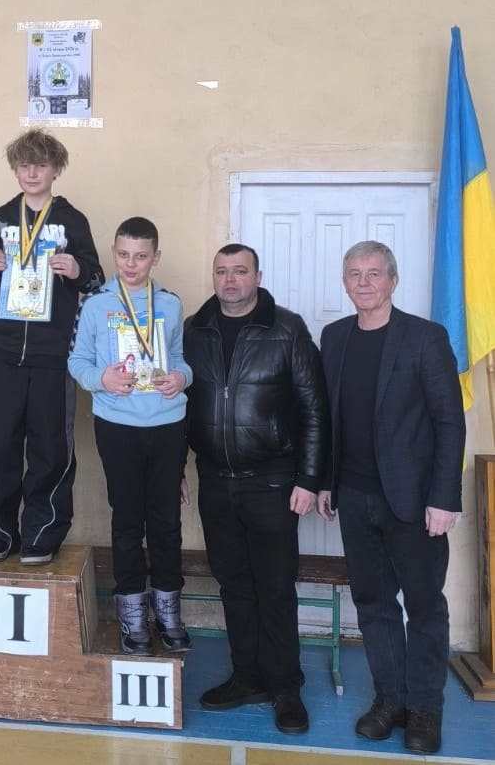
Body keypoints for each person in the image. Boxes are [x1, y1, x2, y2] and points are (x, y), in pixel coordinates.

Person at [318, 241, 464, 755]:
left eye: (374, 273)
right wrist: (326, 481)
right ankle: (391, 701)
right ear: (345, 281)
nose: (363, 282)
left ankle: (425, 708)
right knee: (373, 604)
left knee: (424, 607)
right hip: (355, 497)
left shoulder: (425, 338)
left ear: (393, 281)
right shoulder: (334, 337)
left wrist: (444, 498)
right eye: (354, 273)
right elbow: (330, 419)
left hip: (415, 502)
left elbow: (449, 422)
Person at [183, 243, 329, 735]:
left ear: (257, 276)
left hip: (272, 483)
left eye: (240, 271)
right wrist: (177, 467)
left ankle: (286, 686)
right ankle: (246, 677)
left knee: (275, 588)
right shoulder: (194, 330)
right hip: (214, 481)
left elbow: (314, 408)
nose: (230, 280)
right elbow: (179, 404)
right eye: (221, 271)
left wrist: (308, 479)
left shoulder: (287, 328)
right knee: (234, 586)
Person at [0, 128, 104, 565]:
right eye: (24, 165)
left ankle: (42, 535)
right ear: (15, 169)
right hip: (5, 353)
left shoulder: (73, 220)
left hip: (53, 355)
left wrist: (77, 269)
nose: (32, 173)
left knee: (50, 449)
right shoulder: (0, 217)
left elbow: (96, 278)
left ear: (56, 170)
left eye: (41, 165)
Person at [69, 217, 191, 655]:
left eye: (141, 256)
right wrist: (101, 379)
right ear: (113, 253)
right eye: (123, 255)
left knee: (165, 521)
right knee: (126, 520)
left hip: (167, 424)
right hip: (117, 424)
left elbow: (180, 358)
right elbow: (77, 361)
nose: (131, 264)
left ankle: (169, 611)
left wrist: (181, 377)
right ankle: (133, 613)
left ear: (156, 257)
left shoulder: (171, 304)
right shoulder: (96, 304)